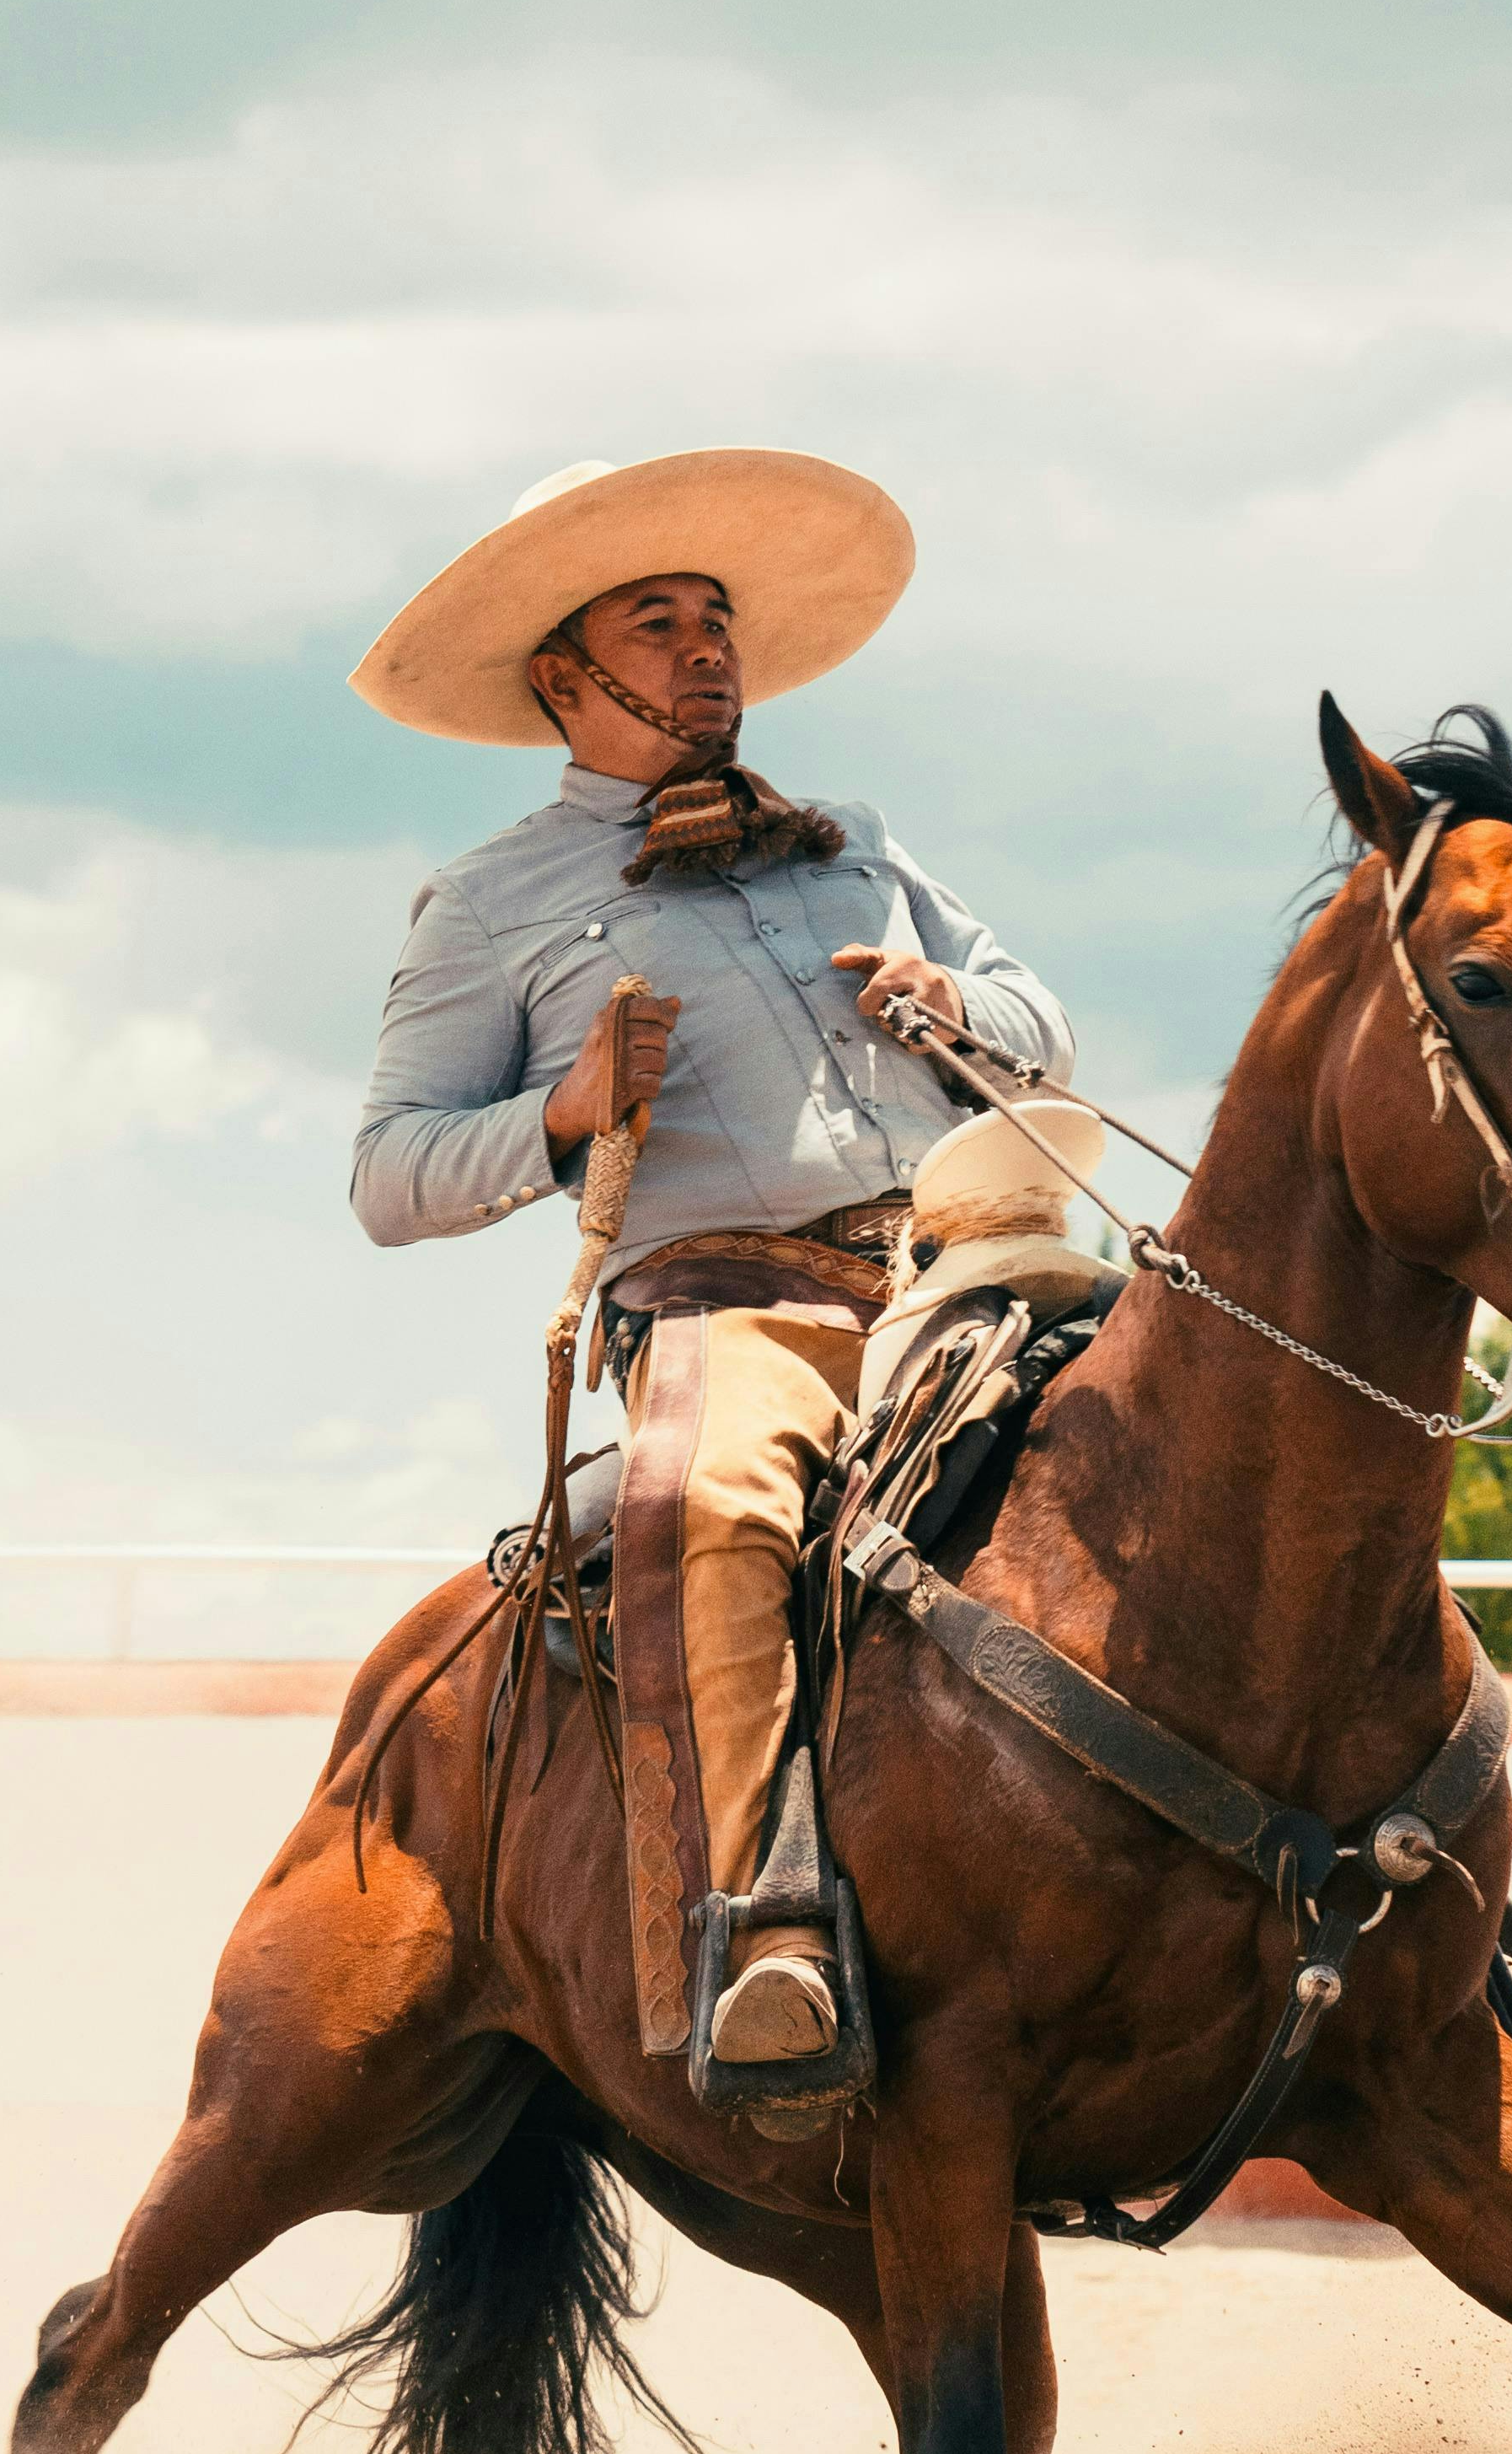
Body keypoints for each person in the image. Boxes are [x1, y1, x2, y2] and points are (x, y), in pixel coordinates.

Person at [349, 446, 1072, 2077]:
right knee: (722, 1507)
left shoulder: (858, 844)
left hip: (974, 1264)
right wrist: (566, 1112)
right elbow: (388, 1176)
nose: (704, 648)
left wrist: (963, 1014)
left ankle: (1433, 1928)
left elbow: (1046, 1021)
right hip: (736, 1307)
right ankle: (765, 1933)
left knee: (1243, 1417)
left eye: (716, 618)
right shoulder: (487, 907)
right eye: (657, 618)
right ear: (565, 675)